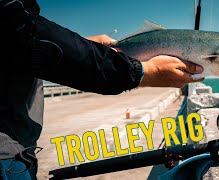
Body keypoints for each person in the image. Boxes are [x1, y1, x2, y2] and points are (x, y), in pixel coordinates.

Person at [0, 0, 204, 179]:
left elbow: (20, 43)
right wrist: (142, 71)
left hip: (18, 145)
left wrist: (84, 45)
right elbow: (24, 35)